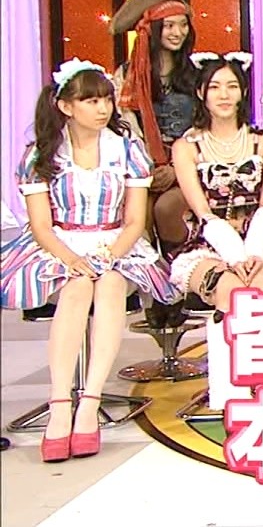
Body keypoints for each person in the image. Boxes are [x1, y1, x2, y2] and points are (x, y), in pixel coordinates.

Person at [0, 61, 179, 462]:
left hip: (117, 243)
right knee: (78, 287)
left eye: (106, 100)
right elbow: (41, 226)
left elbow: (134, 221)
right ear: (65, 106)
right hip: (58, 244)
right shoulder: (41, 154)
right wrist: (73, 259)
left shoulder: (126, 149)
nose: (103, 109)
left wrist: (110, 254)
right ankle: (59, 403)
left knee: (111, 284)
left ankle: (89, 403)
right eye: (91, 101)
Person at [167, 53, 263, 312]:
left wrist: (254, 253)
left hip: (262, 241)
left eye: (232, 86)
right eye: (214, 87)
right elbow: (203, 212)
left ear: (243, 92)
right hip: (209, 244)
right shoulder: (186, 147)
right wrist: (234, 256)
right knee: (232, 294)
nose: (224, 95)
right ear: (200, 92)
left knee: (261, 291)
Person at [109, 0, 200, 320]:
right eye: (170, 26)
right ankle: (154, 295)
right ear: (152, 29)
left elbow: (204, 129)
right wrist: (147, 169)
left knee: (168, 209)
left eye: (183, 25)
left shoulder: (197, 74)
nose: (177, 33)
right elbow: (124, 128)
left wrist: (176, 168)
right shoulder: (127, 76)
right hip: (142, 167)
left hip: (187, 166)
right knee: (138, 215)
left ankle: (182, 284)